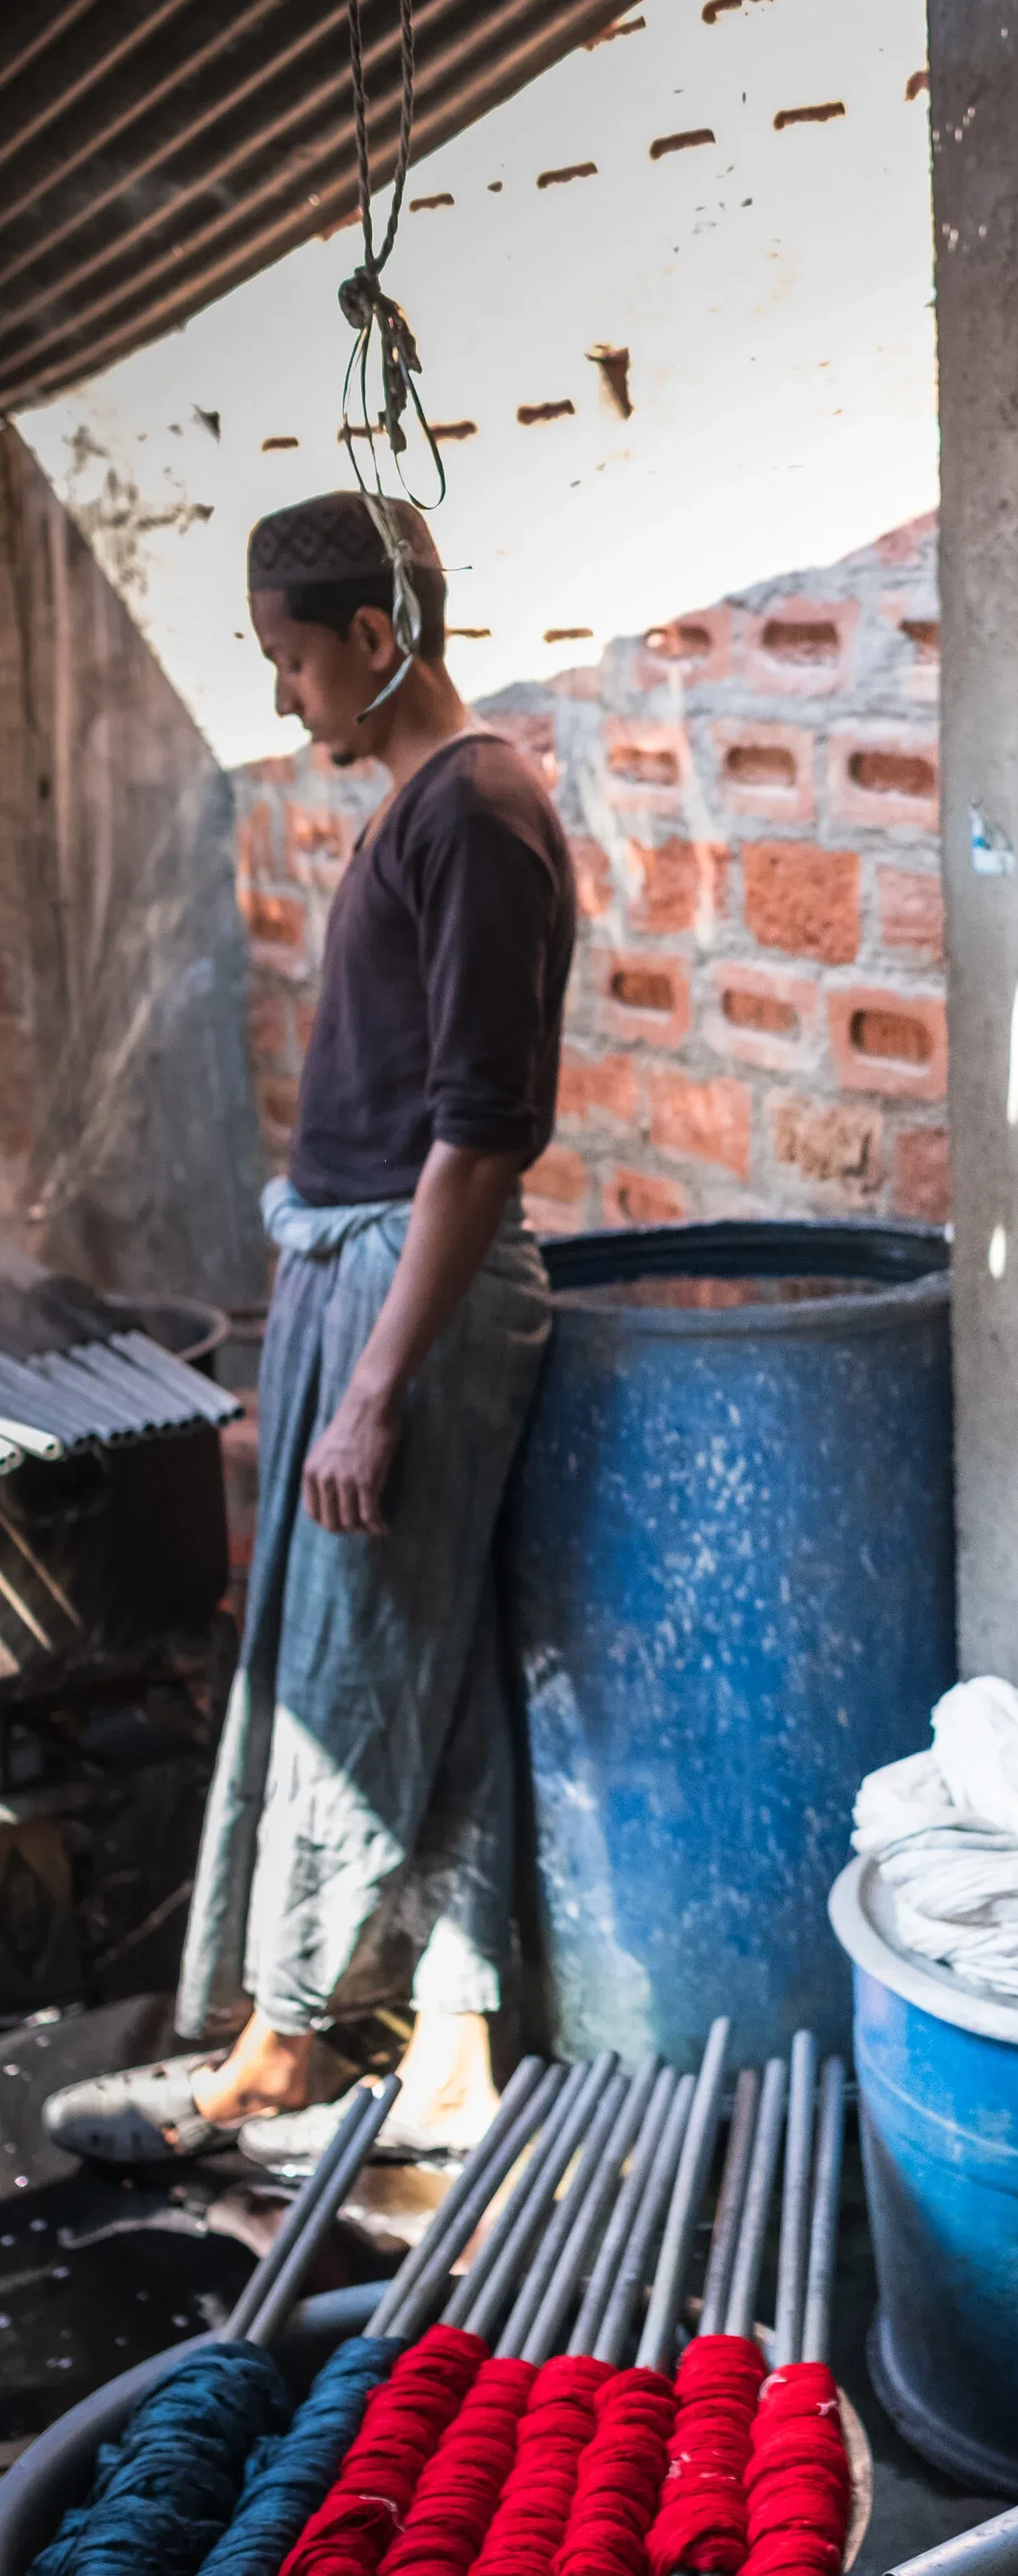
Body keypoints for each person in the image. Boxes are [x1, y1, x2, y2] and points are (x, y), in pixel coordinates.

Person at [47, 491, 574, 2168]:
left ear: (375, 635)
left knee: (345, 1687)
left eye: (292, 659)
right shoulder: (430, 805)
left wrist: (369, 1389)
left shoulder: (476, 807)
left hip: (410, 1297)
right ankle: (451, 2048)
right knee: (433, 1669)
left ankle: (281, 2048)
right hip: (361, 1277)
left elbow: (482, 1136)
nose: (285, 700)